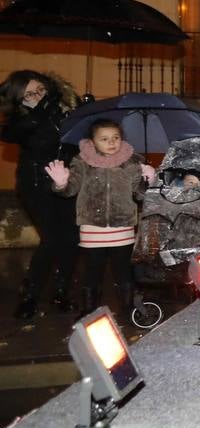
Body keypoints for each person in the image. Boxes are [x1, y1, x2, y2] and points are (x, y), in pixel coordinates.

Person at [46, 120, 155, 321]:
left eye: (116, 138)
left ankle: (128, 308)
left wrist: (148, 181)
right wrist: (61, 183)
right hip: (92, 225)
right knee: (92, 270)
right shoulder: (82, 161)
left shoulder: (131, 162)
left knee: (123, 271)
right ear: (93, 142)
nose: (111, 142)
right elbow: (70, 190)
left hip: (122, 225)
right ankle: (90, 310)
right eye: (104, 139)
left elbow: (140, 196)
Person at [1, 71, 79, 320]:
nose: (37, 96)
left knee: (71, 238)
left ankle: (60, 291)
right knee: (52, 238)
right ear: (19, 99)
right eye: (29, 94)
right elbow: (13, 134)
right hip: (35, 185)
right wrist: (41, 110)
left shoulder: (66, 106)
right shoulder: (19, 120)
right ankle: (30, 294)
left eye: (40, 90)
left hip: (66, 181)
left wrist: (86, 111)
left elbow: (80, 141)